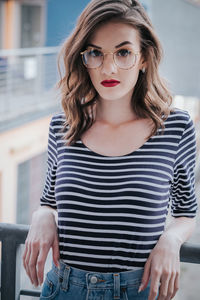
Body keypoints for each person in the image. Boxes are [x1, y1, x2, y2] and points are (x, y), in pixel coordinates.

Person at [23, 0, 197, 299]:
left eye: (124, 52)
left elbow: (186, 213)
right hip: (64, 289)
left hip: (138, 290)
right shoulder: (62, 126)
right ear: (83, 58)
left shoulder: (176, 128)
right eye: (95, 53)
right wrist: (42, 215)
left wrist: (170, 240)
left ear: (144, 58)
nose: (109, 67)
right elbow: (49, 200)